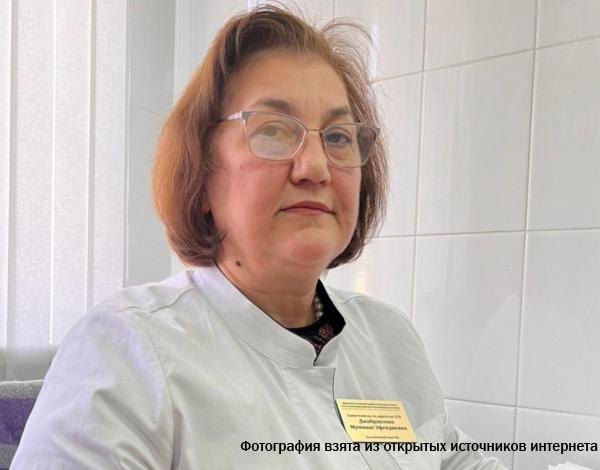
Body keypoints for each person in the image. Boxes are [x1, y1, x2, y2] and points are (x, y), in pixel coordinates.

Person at [11, 5, 509, 469]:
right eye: (273, 130)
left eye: (337, 137)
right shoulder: (127, 353)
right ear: (202, 174)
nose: (315, 167)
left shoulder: (388, 336)